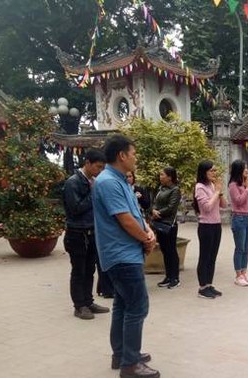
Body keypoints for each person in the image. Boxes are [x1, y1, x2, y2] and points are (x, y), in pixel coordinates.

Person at [92, 135, 159, 378]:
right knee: (138, 307)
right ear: (122, 155)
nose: (135, 157)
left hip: (127, 253)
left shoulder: (121, 181)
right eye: (133, 153)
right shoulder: (108, 182)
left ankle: (121, 354)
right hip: (121, 255)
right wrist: (145, 238)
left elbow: (136, 215)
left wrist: (148, 232)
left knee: (123, 305)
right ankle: (130, 364)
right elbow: (124, 219)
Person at [63, 148, 111, 319]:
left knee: (90, 269)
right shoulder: (73, 183)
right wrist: (93, 192)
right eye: (98, 167)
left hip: (92, 232)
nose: (100, 171)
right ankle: (79, 306)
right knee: (79, 271)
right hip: (77, 234)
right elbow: (75, 209)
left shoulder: (92, 181)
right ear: (88, 163)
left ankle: (88, 301)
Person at [193, 160, 228, 299]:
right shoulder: (199, 187)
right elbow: (206, 207)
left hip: (216, 224)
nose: (214, 173)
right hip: (205, 225)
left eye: (215, 170)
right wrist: (216, 192)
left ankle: (209, 284)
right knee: (205, 256)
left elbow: (224, 205)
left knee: (212, 257)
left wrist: (219, 193)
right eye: (211, 171)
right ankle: (202, 287)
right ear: (204, 172)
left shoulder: (213, 185)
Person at [228, 160, 248, 286]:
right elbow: (239, 201)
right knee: (240, 248)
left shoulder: (247, 183)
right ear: (238, 170)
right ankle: (238, 275)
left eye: (247, 167)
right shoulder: (233, 185)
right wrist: (247, 189)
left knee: (247, 248)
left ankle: (244, 273)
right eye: (244, 168)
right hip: (239, 218)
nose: (247, 170)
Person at [152, 167, 182, 289]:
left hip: (169, 224)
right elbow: (155, 202)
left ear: (170, 177)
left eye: (162, 175)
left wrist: (158, 212)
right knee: (164, 251)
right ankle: (168, 276)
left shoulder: (175, 190)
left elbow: (171, 207)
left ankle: (175, 277)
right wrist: (153, 210)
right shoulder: (161, 189)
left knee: (171, 251)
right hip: (159, 222)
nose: (160, 177)